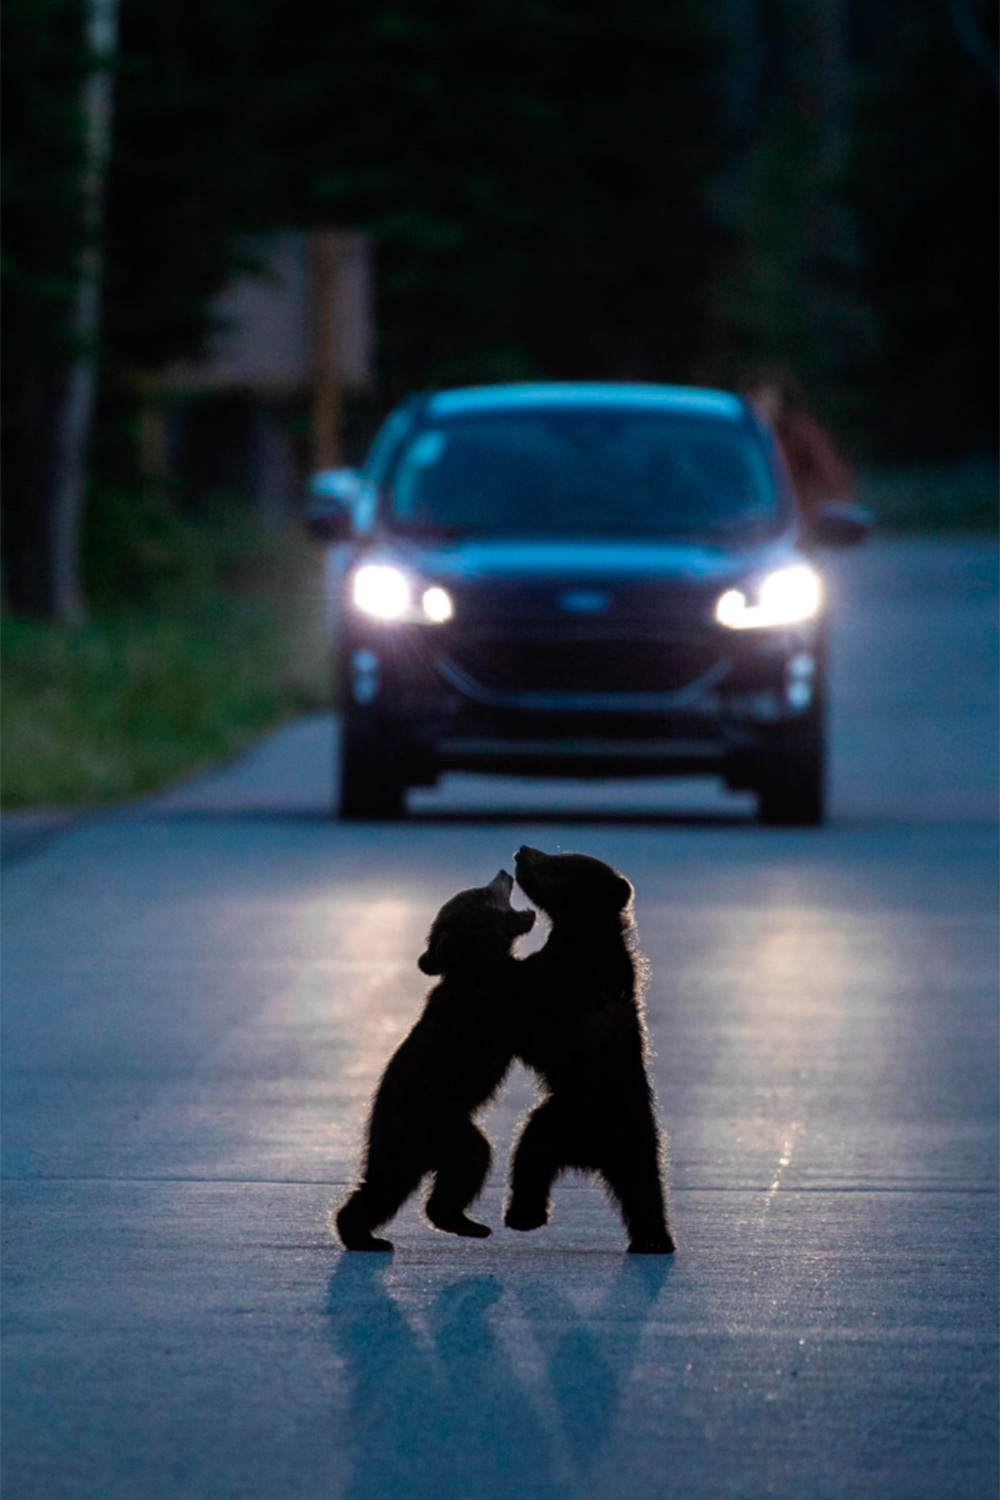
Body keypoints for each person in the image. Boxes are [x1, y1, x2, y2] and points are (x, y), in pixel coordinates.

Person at [746, 374, 854, 521]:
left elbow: (832, 479)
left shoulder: (801, 434)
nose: (761, 406)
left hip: (796, 525)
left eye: (767, 399)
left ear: (781, 402)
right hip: (746, 524)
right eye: (756, 399)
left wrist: (824, 519)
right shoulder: (735, 437)